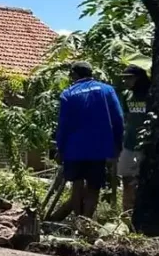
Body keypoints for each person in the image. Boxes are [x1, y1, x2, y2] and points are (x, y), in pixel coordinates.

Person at [55, 61, 124, 218]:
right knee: (94, 186)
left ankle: (78, 221)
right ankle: (86, 222)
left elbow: (63, 126)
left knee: (77, 185)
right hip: (99, 148)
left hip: (74, 148)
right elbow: (118, 119)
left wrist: (60, 149)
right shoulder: (107, 90)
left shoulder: (68, 94)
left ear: (74, 74)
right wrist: (117, 144)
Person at [117, 64, 149, 212]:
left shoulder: (151, 94)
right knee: (125, 176)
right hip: (129, 143)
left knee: (140, 180)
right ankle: (126, 212)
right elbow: (126, 117)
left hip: (145, 145)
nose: (125, 82)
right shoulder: (127, 95)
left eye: (129, 79)